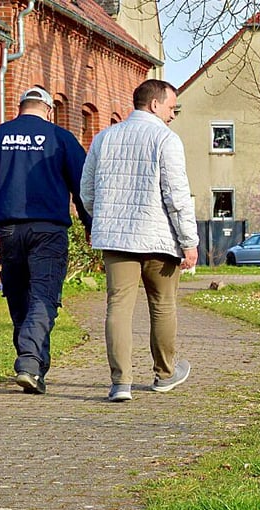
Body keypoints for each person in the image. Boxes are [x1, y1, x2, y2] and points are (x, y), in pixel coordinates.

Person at [0, 86, 91, 395]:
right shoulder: (60, 138)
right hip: (48, 230)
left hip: (8, 231)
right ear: (49, 110)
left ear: (20, 108)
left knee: (19, 298)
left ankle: (33, 369)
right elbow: (84, 186)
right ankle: (30, 362)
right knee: (44, 296)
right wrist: (90, 223)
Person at [80, 79, 199, 402]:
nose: (173, 115)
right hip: (159, 239)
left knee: (118, 306)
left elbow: (87, 191)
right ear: (154, 104)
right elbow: (176, 196)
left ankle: (121, 383)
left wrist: (105, 216)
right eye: (171, 108)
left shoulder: (104, 138)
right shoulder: (166, 139)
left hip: (116, 239)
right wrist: (189, 241)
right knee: (162, 305)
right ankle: (164, 374)